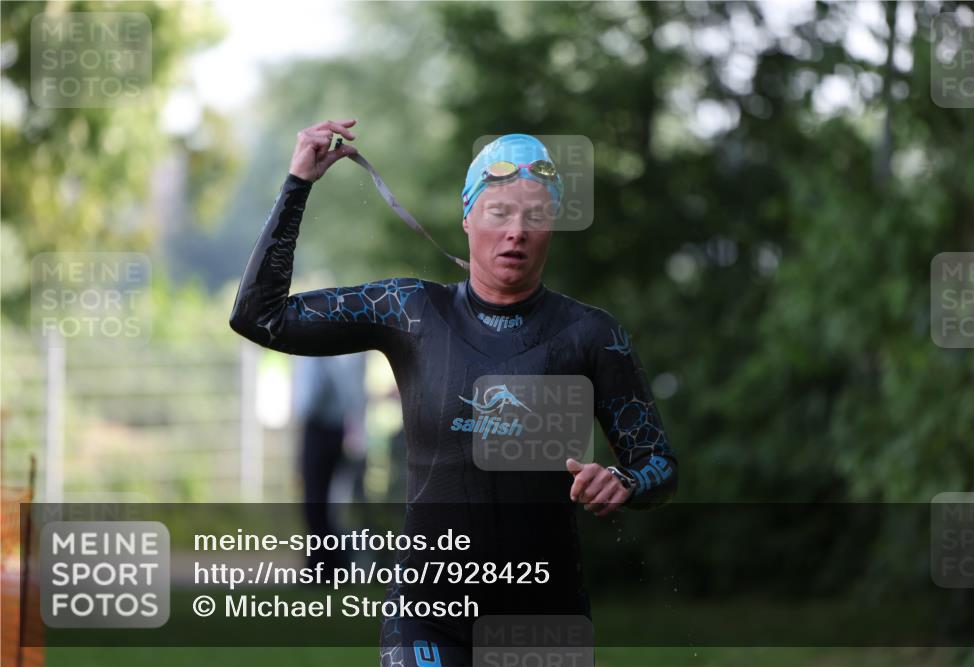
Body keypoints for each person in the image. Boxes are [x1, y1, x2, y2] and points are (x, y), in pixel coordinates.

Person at [229, 120, 678, 666]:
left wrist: (623, 480)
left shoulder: (589, 335)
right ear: (468, 218)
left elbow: (658, 463)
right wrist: (299, 183)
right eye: (499, 213)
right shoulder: (413, 312)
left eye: (535, 217)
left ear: (553, 226)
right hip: (425, 618)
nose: (516, 231)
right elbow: (259, 317)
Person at [291, 352, 367, 572]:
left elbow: (311, 398)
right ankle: (327, 564)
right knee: (325, 504)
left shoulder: (319, 356)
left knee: (317, 503)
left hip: (321, 428)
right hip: (334, 428)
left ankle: (324, 566)